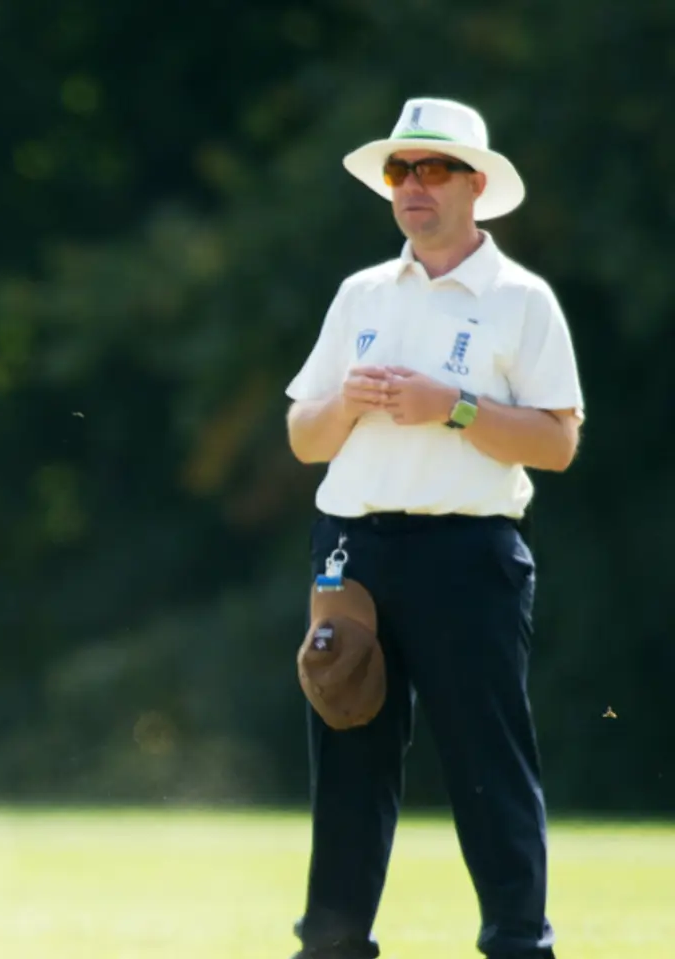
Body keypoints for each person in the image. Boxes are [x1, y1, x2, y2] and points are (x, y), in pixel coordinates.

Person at [282, 97, 583, 959]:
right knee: (346, 758)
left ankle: (519, 943)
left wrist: (450, 407)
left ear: (476, 185)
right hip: (352, 549)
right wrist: (350, 401)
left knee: (487, 765)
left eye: (434, 168)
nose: (412, 185)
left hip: (467, 552)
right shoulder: (361, 293)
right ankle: (331, 945)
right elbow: (306, 438)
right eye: (399, 169)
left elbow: (558, 442)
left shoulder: (522, 301)